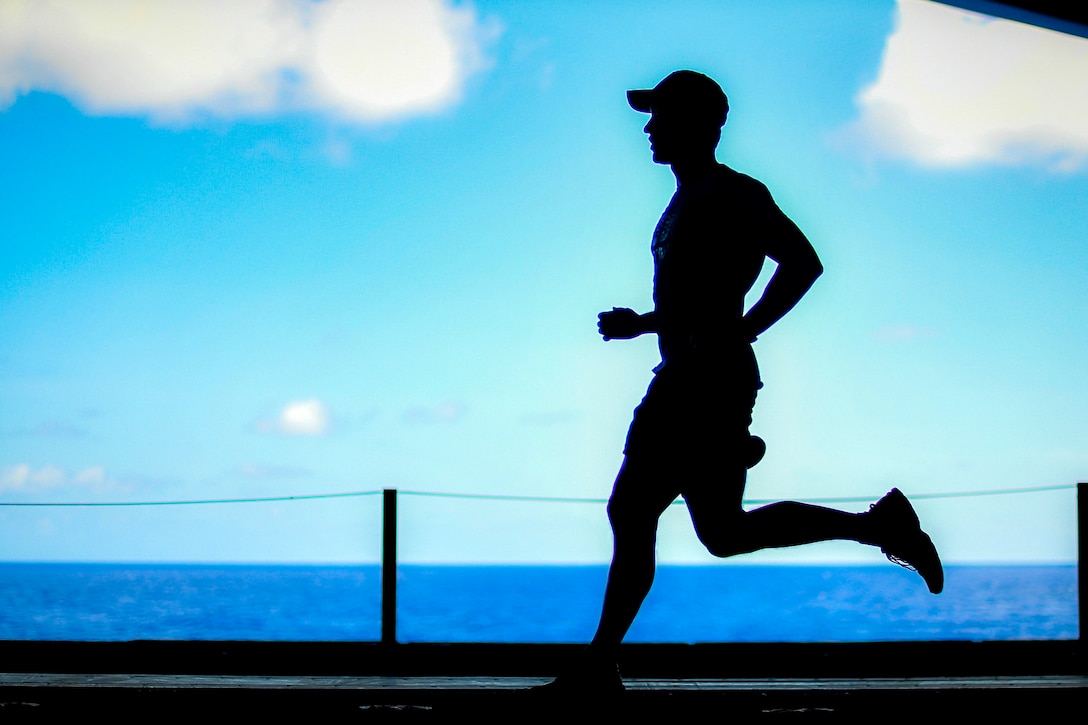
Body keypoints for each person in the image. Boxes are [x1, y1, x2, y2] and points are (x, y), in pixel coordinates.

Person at [547, 70, 943, 694]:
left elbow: (804, 262)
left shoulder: (734, 194)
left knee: (635, 508)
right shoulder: (681, 201)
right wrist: (653, 326)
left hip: (706, 384)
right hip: (687, 376)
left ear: (701, 125)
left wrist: (739, 331)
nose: (649, 128)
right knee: (722, 532)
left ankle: (598, 667)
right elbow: (702, 302)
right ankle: (879, 526)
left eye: (663, 117)